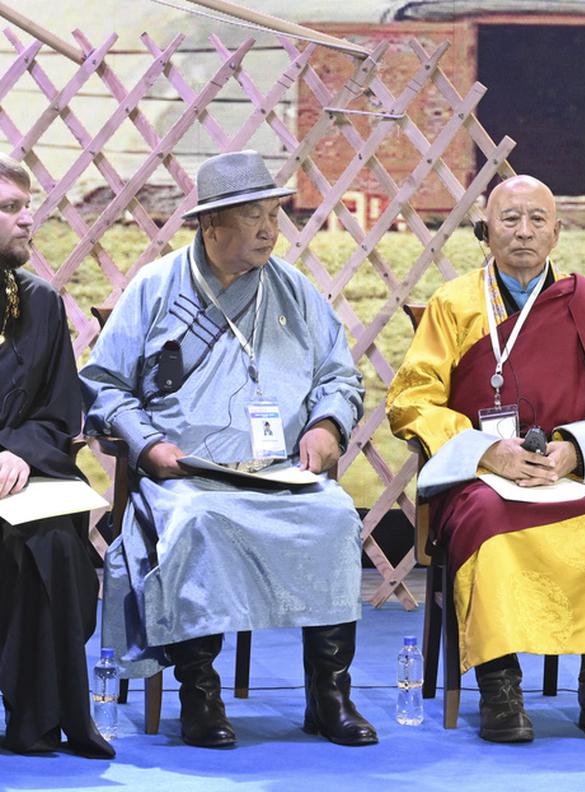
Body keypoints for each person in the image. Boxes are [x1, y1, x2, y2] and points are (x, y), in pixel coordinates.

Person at [80, 151, 376, 748]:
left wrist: (325, 425)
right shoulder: (156, 287)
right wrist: (148, 446)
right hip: (189, 478)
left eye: (275, 215)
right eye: (254, 217)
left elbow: (340, 378)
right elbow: (103, 383)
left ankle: (329, 694)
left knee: (335, 516)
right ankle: (200, 694)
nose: (271, 230)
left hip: (281, 474)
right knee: (196, 522)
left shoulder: (294, 290)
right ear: (211, 226)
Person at [387, 175, 585, 743]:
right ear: (485, 231)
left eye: (537, 219)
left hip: (571, 472)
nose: (524, 231)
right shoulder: (454, 305)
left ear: (557, 232)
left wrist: (576, 451)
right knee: (491, 520)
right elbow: (412, 400)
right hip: (486, 478)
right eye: (510, 219)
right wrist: (488, 450)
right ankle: (500, 688)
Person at [0, 157, 114, 759]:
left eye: (28, 206)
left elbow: (60, 413)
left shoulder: (40, 303)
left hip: (20, 485)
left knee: (57, 544)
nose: (28, 220)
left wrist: (16, 450)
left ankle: (41, 719)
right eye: (10, 209)